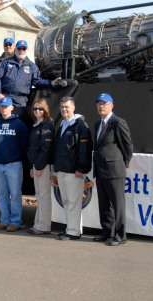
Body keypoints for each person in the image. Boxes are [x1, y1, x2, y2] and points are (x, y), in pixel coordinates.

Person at [92, 93, 133, 246]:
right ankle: (107, 232)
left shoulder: (117, 122)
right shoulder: (97, 124)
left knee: (118, 205)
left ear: (111, 105)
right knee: (104, 204)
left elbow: (127, 146)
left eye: (104, 103)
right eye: (99, 103)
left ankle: (121, 235)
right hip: (100, 170)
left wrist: (122, 164)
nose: (101, 106)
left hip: (114, 171)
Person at [53, 96, 92, 240]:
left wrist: (81, 169)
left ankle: (74, 232)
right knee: (67, 202)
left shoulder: (81, 125)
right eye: (62, 107)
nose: (64, 109)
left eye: (67, 107)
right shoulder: (63, 124)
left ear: (73, 108)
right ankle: (70, 228)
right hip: (62, 170)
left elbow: (84, 150)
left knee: (74, 202)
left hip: (74, 172)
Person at [0, 96, 28, 232]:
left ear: (12, 107)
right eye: (2, 106)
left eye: (6, 106)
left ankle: (16, 221)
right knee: (1, 194)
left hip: (14, 164)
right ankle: (4, 220)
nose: (4, 109)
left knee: (15, 194)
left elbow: (24, 145)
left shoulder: (19, 125)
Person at [0, 40, 61, 107]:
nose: (21, 51)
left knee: (19, 118)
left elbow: (37, 81)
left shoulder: (32, 66)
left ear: (27, 49)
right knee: (3, 117)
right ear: (15, 49)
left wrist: (51, 83)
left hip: (20, 100)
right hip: (5, 96)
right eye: (19, 48)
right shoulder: (5, 63)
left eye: (24, 49)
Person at [26, 98, 55, 235]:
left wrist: (38, 166)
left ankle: (44, 226)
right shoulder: (36, 125)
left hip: (42, 166)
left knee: (44, 195)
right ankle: (38, 224)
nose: (38, 111)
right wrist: (33, 166)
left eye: (40, 108)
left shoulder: (47, 125)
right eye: (35, 108)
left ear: (45, 110)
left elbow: (46, 149)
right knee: (39, 195)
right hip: (36, 165)